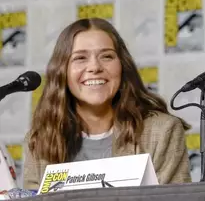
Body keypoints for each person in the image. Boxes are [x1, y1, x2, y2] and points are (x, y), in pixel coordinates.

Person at [23, 18, 191, 189]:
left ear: (122, 66)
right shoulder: (39, 140)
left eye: (107, 56)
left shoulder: (161, 132)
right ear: (61, 72)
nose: (95, 67)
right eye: (80, 58)